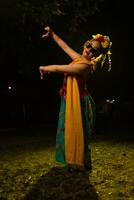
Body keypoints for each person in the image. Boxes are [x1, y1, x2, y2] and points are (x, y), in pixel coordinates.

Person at [39, 26, 112, 172]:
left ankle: (81, 162)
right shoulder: (80, 59)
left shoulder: (86, 67)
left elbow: (62, 68)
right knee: (67, 129)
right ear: (86, 44)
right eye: (89, 46)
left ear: (97, 55)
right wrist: (53, 34)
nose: (89, 50)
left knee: (81, 132)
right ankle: (74, 162)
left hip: (81, 102)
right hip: (71, 99)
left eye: (94, 51)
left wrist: (45, 67)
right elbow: (65, 48)